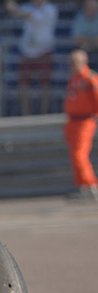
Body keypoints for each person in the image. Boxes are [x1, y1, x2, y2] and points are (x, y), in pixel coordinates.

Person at [5, 0, 58, 115]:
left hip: (44, 50)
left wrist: (16, 10)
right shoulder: (27, 7)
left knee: (44, 84)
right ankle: (26, 114)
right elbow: (18, 13)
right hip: (27, 51)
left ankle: (44, 113)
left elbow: (33, 17)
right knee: (24, 83)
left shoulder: (51, 9)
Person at [63, 49, 98, 199]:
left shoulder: (90, 78)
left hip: (85, 121)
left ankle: (90, 185)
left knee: (80, 154)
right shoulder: (74, 79)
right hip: (73, 122)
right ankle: (81, 186)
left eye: (74, 63)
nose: (71, 66)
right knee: (74, 154)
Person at [71, 0, 98, 66]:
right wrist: (92, 40)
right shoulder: (79, 17)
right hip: (83, 48)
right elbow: (75, 38)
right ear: (84, 8)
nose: (90, 10)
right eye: (88, 7)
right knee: (77, 57)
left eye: (92, 8)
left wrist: (87, 40)